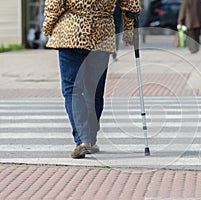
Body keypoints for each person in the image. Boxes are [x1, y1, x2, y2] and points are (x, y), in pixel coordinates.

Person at [42, 0, 140, 159]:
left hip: (72, 31)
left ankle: (83, 140)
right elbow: (131, 6)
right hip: (102, 33)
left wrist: (48, 27)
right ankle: (90, 139)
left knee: (72, 89)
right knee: (94, 91)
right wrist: (129, 33)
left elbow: (54, 4)